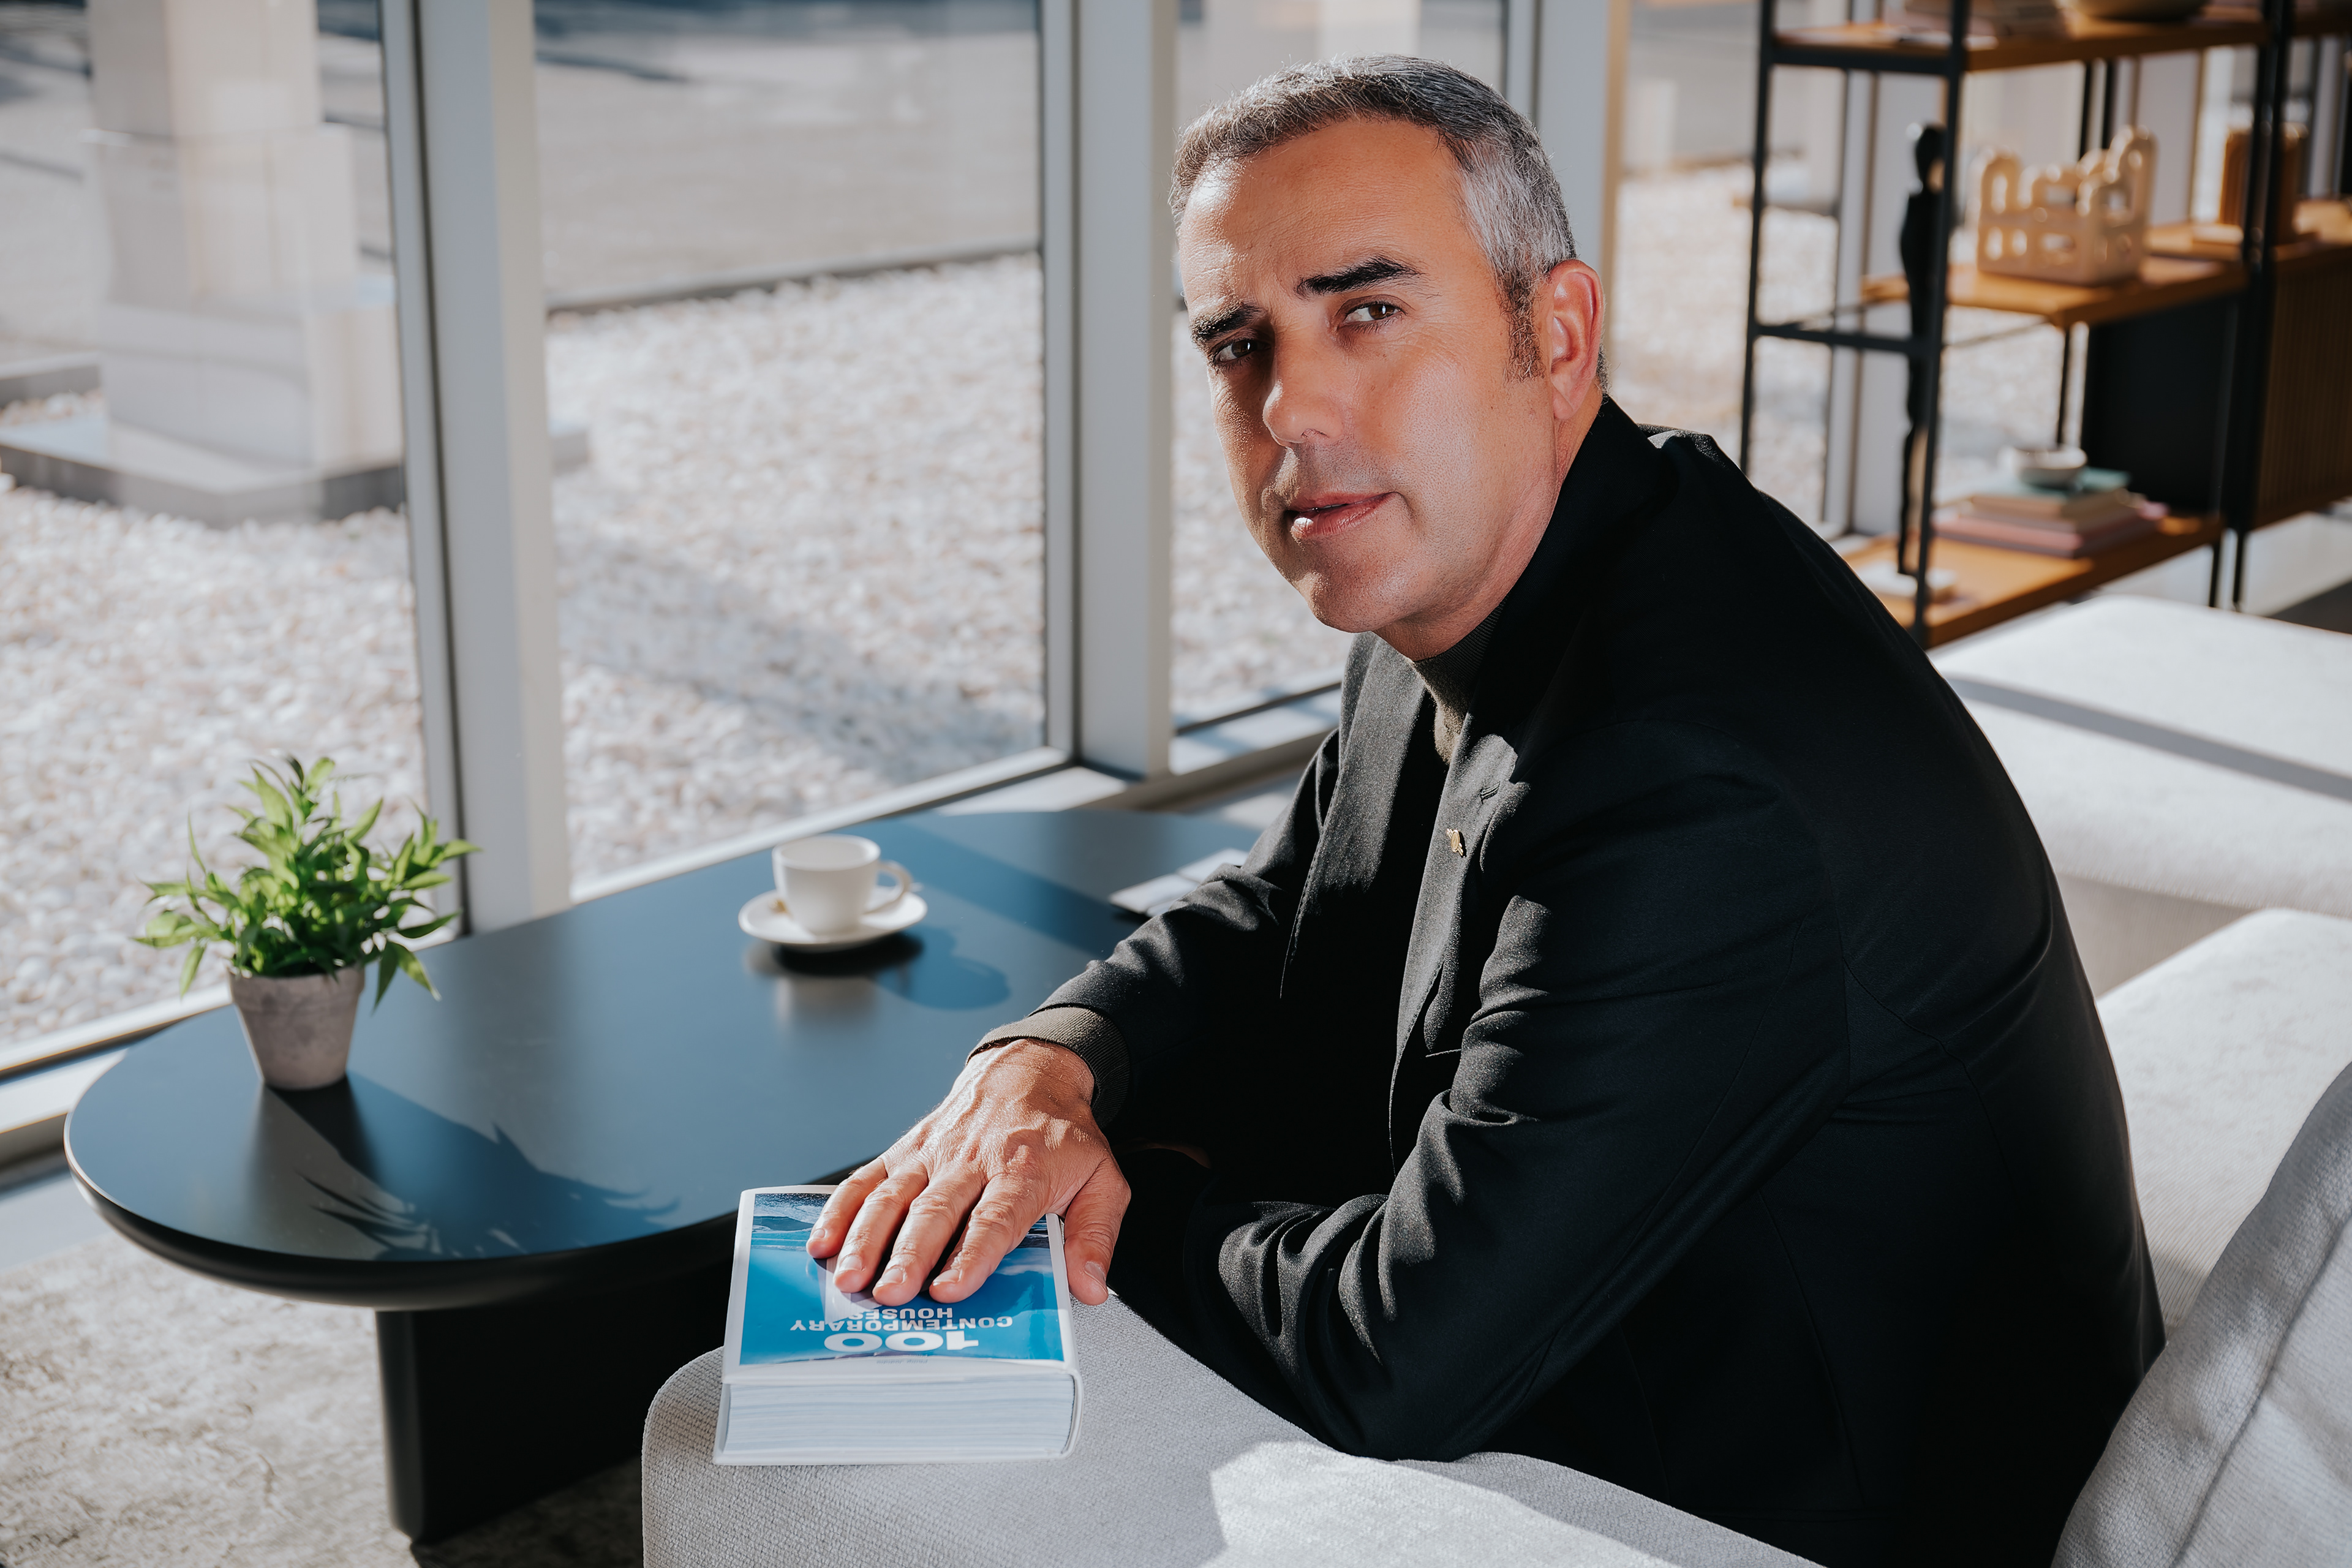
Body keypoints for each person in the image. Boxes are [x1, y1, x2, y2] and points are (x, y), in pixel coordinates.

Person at [810, 56, 2160, 1567]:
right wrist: (1054, 1062)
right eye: (1241, 344)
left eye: (1369, 311)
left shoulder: (1698, 773)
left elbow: (1400, 1352)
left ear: (1558, 335)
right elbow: (1289, 903)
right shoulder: (1493, 554)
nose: (1291, 407)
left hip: (1814, 1515)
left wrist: (1123, 1195)